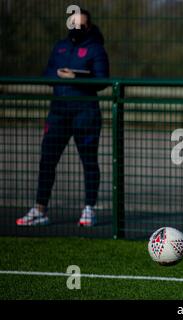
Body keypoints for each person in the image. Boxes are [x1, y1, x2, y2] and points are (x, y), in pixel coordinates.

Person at [16, 9, 110, 227]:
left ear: (88, 27)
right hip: (58, 113)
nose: (77, 28)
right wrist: (58, 75)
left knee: (89, 161)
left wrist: (76, 77)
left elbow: (103, 80)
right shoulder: (60, 47)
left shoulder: (96, 49)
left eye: (81, 25)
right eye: (73, 23)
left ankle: (89, 209)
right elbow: (47, 74)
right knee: (47, 159)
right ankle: (39, 209)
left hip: (85, 114)